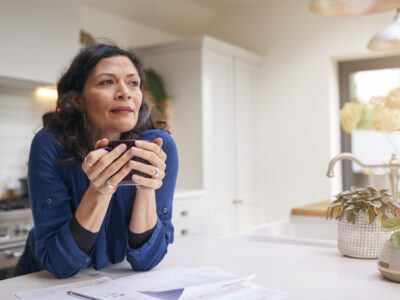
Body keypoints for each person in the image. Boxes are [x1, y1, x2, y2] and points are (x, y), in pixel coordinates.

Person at [14, 43, 178, 278]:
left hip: (110, 284)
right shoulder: (50, 144)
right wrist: (100, 190)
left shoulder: (158, 147)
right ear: (78, 99)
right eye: (107, 82)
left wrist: (146, 188)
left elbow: (148, 260)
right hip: (40, 284)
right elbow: (58, 264)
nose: (125, 92)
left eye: (133, 82)